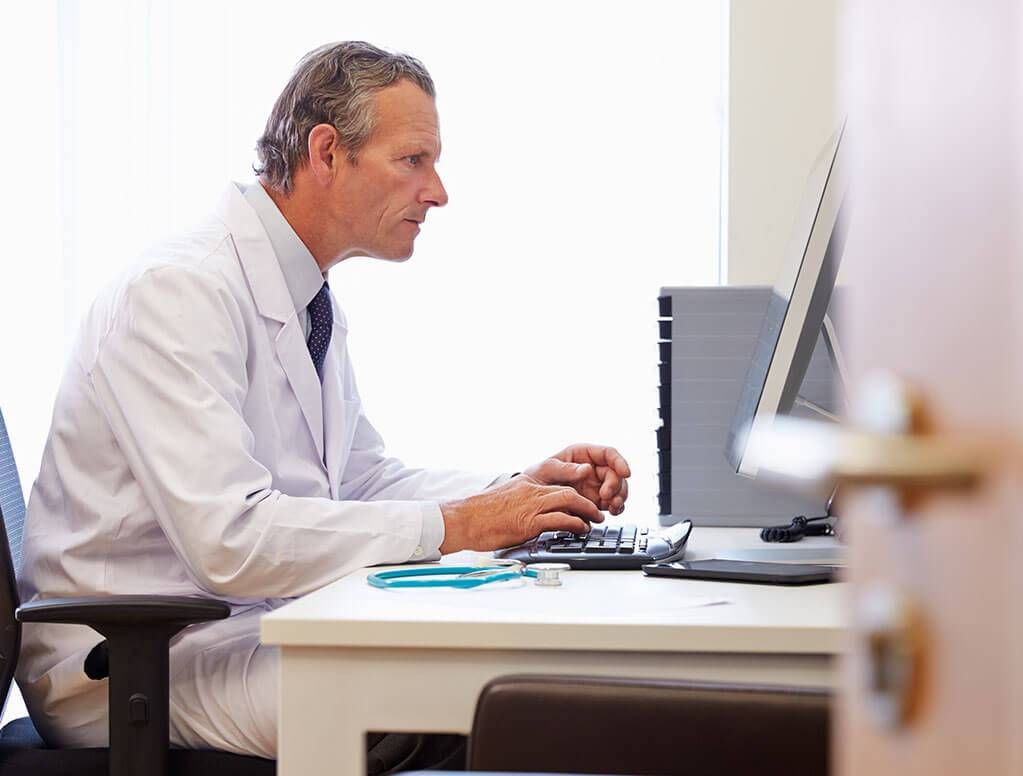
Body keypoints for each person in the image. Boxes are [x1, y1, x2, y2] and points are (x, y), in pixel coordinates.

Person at [16, 40, 630, 769]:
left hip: (243, 630)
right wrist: (463, 526)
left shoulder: (304, 298)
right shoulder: (178, 293)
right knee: (476, 690)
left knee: (499, 674)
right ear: (328, 153)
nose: (437, 192)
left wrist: (518, 492)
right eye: (414, 161)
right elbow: (230, 541)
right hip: (136, 667)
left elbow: (361, 479)